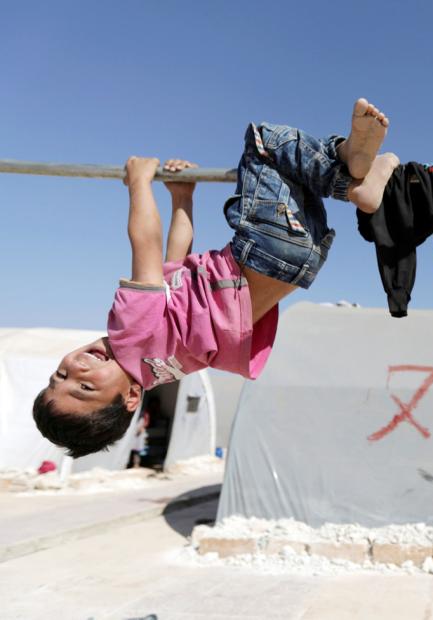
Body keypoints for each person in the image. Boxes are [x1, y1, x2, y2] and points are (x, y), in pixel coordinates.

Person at [33, 99, 400, 458]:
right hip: (261, 251)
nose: (75, 369)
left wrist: (182, 198)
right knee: (265, 142)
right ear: (130, 398)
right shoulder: (128, 333)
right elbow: (145, 245)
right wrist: (139, 183)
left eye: (58, 376)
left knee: (296, 172)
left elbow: (174, 266)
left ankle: (351, 160)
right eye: (84, 387)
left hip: (301, 260)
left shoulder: (167, 367)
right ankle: (352, 185)